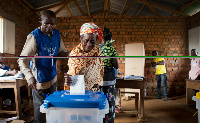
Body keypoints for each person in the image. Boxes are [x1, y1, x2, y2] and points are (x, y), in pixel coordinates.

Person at [18, 10, 68, 123]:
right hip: (39, 80)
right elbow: (22, 59)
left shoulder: (57, 34)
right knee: (40, 110)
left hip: (53, 77)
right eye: (46, 24)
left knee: (53, 107)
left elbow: (61, 51)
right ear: (40, 21)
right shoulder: (34, 36)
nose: (49, 27)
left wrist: (66, 54)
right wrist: (29, 77)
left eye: (52, 24)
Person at [64, 22, 104, 91]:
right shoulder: (75, 54)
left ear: (96, 40)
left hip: (94, 90)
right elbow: (72, 74)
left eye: (92, 41)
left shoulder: (97, 51)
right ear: (81, 38)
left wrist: (97, 84)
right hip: (79, 91)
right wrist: (69, 79)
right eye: (86, 41)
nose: (88, 45)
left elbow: (99, 68)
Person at [99, 27, 118, 122]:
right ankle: (109, 120)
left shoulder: (98, 49)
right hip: (110, 79)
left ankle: (100, 120)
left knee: (100, 101)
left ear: (102, 39)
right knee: (110, 102)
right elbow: (116, 65)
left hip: (100, 79)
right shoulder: (112, 49)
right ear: (110, 39)